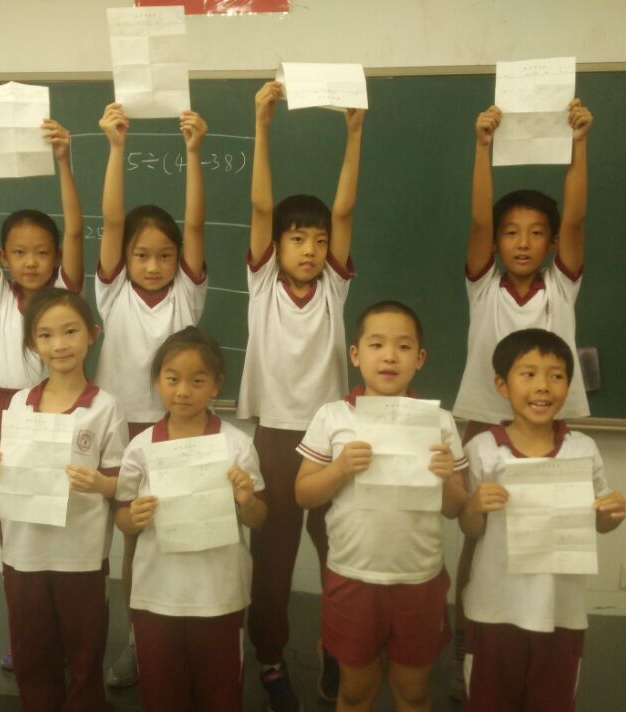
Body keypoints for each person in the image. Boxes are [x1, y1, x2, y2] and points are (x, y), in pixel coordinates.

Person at [449, 98, 594, 697]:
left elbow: (576, 221)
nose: (523, 242)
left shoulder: (561, 283)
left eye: (537, 233)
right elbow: (478, 223)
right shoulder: (484, 285)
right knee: (478, 531)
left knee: (546, 527)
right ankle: (470, 640)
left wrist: (580, 143)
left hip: (549, 427)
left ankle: (542, 627)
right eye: (511, 233)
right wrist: (482, 147)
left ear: (552, 242)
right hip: (486, 418)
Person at [238, 79, 365, 710]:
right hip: (277, 435)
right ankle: (268, 658)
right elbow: (262, 206)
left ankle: (338, 650)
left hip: (332, 436)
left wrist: (354, 134)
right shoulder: (263, 282)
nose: (311, 249)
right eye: (297, 239)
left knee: (342, 550)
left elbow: (343, 213)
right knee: (273, 559)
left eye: (317, 241)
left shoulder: (334, 288)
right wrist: (262, 126)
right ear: (278, 246)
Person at [294, 301, 467, 712]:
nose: (389, 356)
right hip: (353, 576)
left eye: (404, 347)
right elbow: (303, 494)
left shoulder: (439, 422)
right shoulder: (333, 416)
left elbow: (455, 508)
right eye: (376, 345)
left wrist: (447, 478)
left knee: (413, 691)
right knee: (355, 691)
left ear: (419, 359)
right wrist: (338, 469)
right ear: (356, 355)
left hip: (419, 578)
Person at [94, 103, 209, 687]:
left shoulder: (187, 294)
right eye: (141, 255)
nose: (155, 265)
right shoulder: (112, 293)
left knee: (184, 535)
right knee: (135, 536)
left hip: (179, 429)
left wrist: (193, 153)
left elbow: (195, 226)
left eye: (165, 255)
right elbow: (112, 221)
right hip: (123, 431)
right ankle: (139, 643)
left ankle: (187, 636)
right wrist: (116, 149)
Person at [0, 118, 84, 670]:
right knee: (14, 528)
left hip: (64, 409)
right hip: (7, 411)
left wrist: (64, 161)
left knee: (63, 524)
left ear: (55, 257)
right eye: (20, 252)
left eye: (42, 252)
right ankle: (26, 638)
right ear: (5, 258)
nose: (31, 261)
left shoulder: (65, 294)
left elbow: (77, 232)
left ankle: (69, 637)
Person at [0, 288, 124, 711]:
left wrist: (100, 484)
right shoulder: (20, 404)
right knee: (32, 653)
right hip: (25, 552)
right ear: (32, 344)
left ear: (92, 335)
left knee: (85, 654)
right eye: (46, 335)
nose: (60, 345)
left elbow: (119, 483)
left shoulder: (106, 407)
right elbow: (11, 472)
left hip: (81, 554)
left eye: (70, 331)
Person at [460, 328, 626, 711]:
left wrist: (612, 513)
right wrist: (475, 506)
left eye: (556, 376)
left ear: (568, 385)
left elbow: (600, 522)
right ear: (502, 385)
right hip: (495, 608)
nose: (543, 387)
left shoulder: (582, 449)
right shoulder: (483, 449)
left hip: (561, 610)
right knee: (489, 702)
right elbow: (469, 528)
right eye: (528, 374)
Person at [115, 326, 267, 712]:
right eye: (172, 379)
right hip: (156, 595)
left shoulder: (236, 444)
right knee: (161, 694)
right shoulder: (141, 447)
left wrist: (247, 500)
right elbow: (122, 517)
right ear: (157, 381)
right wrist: (133, 516)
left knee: (220, 694)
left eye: (197, 381)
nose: (183, 391)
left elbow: (258, 519)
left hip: (218, 595)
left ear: (216, 385)